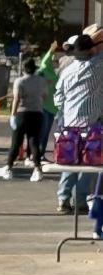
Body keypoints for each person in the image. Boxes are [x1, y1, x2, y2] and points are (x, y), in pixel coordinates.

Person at [52, 34, 103, 214]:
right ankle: (80, 200)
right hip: (91, 125)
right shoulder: (97, 66)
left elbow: (58, 97)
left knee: (69, 163)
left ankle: (63, 199)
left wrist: (66, 110)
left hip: (69, 124)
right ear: (91, 49)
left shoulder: (67, 71)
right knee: (88, 165)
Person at [0, 58, 46, 181]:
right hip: (37, 113)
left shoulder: (20, 81)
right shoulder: (41, 81)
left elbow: (17, 98)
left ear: (23, 69)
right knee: (34, 141)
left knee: (16, 142)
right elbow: (45, 95)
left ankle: (8, 168)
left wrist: (12, 114)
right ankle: (38, 169)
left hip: (22, 113)